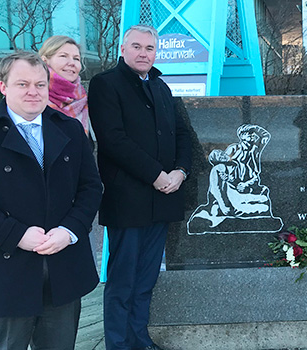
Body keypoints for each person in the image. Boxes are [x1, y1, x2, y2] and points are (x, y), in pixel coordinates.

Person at [0, 51, 102, 349]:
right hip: (6, 269)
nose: (33, 91)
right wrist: (16, 234)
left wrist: (70, 231)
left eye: (40, 84)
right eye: (22, 84)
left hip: (63, 266)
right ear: (3, 86)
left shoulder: (70, 128)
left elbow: (91, 187)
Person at [88, 24, 192, 350]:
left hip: (163, 199)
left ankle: (139, 339)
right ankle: (118, 344)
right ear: (123, 49)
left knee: (146, 279)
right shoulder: (106, 84)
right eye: (137, 47)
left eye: (149, 48)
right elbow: (113, 140)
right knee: (122, 281)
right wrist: (157, 175)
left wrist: (181, 171)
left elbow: (182, 133)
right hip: (128, 199)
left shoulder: (161, 87)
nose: (143, 53)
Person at [38, 35, 93, 142]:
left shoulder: (85, 102)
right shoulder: (30, 98)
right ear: (45, 61)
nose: (72, 63)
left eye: (76, 58)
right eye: (63, 56)